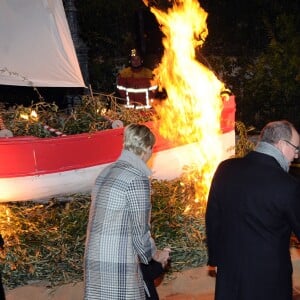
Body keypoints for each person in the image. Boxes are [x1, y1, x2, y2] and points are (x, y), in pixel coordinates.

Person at [205, 120, 300, 300]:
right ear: (281, 144)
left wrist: (216, 260)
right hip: (269, 281)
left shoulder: (225, 169)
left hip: (229, 275)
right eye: (296, 148)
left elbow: (213, 219)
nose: (296, 155)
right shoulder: (287, 185)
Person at [84, 123, 170, 300]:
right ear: (146, 149)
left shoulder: (106, 172)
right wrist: (156, 256)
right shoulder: (137, 178)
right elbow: (140, 232)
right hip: (117, 261)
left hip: (94, 260)